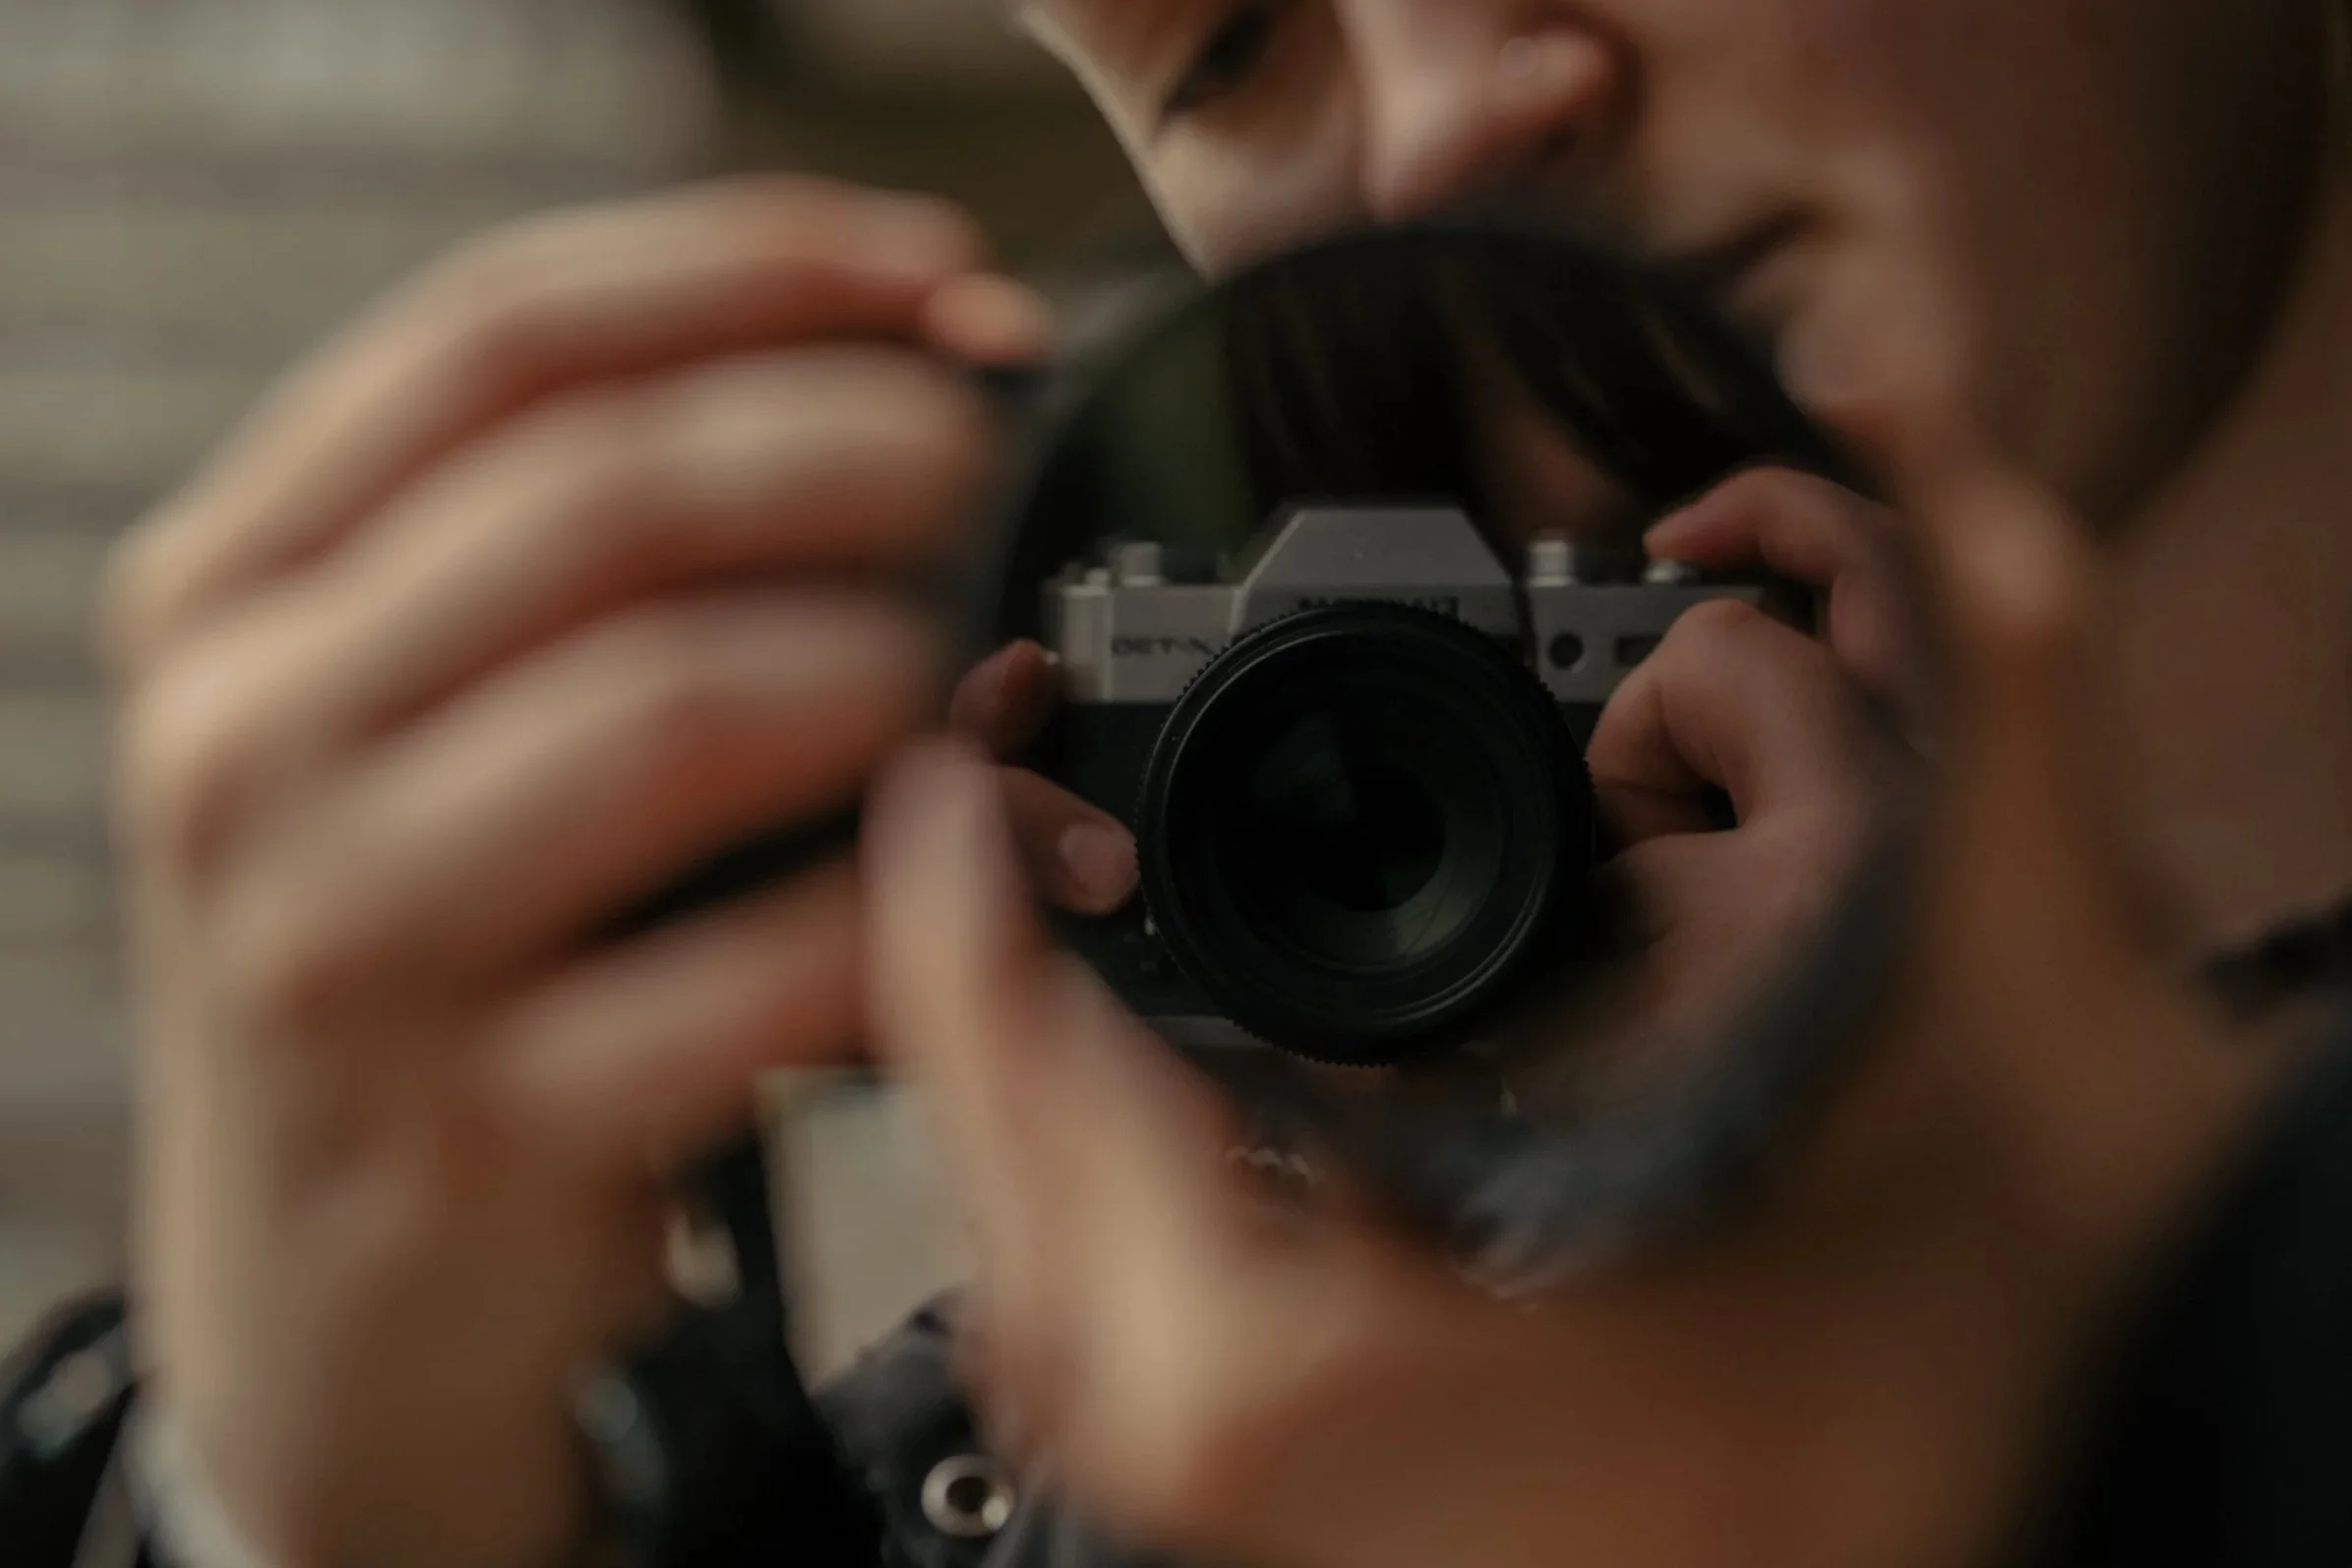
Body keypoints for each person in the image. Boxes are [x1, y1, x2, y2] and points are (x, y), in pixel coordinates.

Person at [6, 2, 2351, 1564]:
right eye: (1227, 39)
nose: (1444, 105)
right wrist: (327, 1482)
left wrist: (2128, 1412)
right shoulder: (1168, 1380)